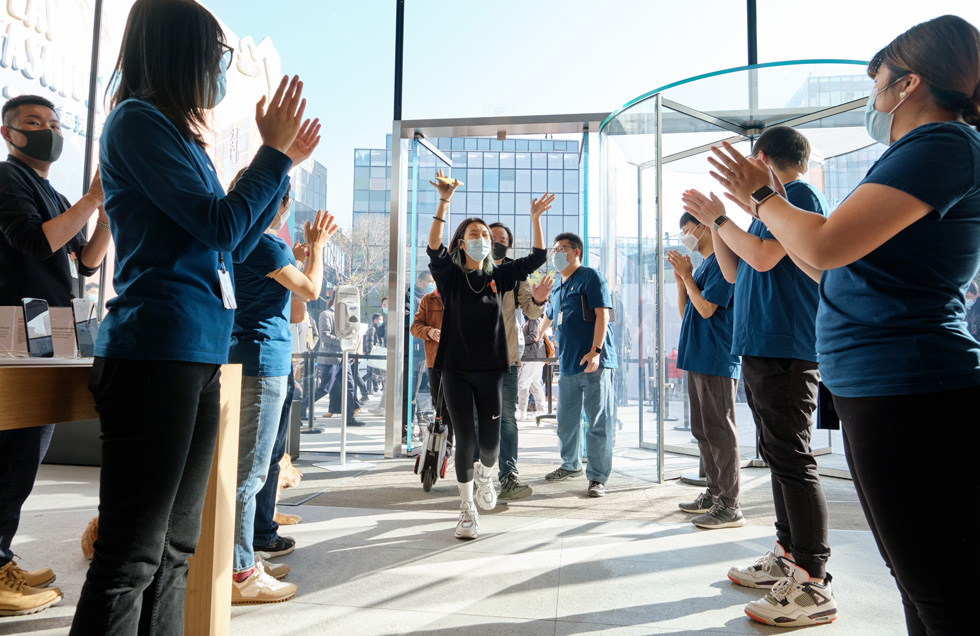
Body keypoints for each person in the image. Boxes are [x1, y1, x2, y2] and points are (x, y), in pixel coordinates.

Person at [705, 15, 980, 633]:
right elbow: (824, 265)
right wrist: (743, 212)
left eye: (877, 80)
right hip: (878, 383)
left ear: (908, 84)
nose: (873, 97)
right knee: (918, 576)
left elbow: (823, 248)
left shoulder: (944, 144)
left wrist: (759, 198)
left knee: (940, 585)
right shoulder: (911, 153)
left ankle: (806, 574)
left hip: (912, 385)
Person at [69, 0, 312, 631]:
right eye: (216, 56)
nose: (220, 70)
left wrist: (277, 165)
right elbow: (218, 222)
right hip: (156, 354)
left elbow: (229, 239)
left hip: (197, 354)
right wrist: (274, 156)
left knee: (176, 552)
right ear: (181, 52)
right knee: (131, 557)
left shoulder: (176, 134)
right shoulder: (137, 123)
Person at [683, 125, 834, 627]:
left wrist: (725, 216)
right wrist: (718, 222)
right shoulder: (765, 211)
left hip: (787, 346)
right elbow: (732, 270)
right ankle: (787, 556)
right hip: (761, 345)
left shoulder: (798, 195)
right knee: (778, 454)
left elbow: (768, 257)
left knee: (792, 456)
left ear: (764, 159)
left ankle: (812, 579)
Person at [0, 94, 108, 616]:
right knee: (12, 452)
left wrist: (105, 214)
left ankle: (2, 556)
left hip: (50, 329)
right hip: (16, 330)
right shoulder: (6, 179)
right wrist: (90, 200)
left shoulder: (53, 190)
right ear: (9, 134)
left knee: (28, 450)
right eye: (33, 123)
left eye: (53, 123)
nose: (48, 130)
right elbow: (34, 242)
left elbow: (84, 262)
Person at [227, 163, 337, 604]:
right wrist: (318, 248)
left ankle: (244, 555)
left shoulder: (231, 241)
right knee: (250, 472)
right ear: (281, 206)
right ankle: (239, 572)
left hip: (240, 358)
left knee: (250, 467)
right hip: (263, 362)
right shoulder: (268, 247)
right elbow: (308, 293)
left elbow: (292, 312)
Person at [427, 169, 548, 539]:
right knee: (465, 438)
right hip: (455, 370)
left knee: (491, 444)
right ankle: (466, 509)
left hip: (492, 370)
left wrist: (535, 219)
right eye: (474, 234)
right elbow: (432, 247)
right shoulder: (449, 276)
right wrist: (445, 201)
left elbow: (539, 256)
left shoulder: (502, 274)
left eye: (485, 234)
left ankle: (486, 474)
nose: (482, 239)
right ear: (461, 243)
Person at [667, 213, 742, 530]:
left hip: (716, 359)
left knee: (720, 431)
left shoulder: (724, 262)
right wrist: (682, 280)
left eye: (687, 230)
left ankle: (730, 504)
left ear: (703, 227)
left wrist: (687, 277)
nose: (685, 236)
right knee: (703, 430)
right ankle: (713, 494)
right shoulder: (702, 268)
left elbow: (709, 309)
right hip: (698, 358)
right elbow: (689, 313)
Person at [539, 233, 618, 498]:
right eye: (555, 248)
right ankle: (570, 465)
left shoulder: (590, 277)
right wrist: (535, 337)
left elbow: (602, 314)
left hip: (594, 361)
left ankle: (597, 477)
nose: (557, 252)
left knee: (597, 422)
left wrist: (595, 351)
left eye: (562, 248)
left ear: (577, 252)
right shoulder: (558, 286)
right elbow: (548, 318)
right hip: (569, 364)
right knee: (566, 421)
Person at [488, 221, 553, 501]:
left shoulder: (515, 273)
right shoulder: (468, 269)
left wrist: (538, 300)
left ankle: (508, 476)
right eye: (491, 237)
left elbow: (529, 309)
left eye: (502, 239)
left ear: (509, 245)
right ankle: (477, 476)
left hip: (506, 355)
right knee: (477, 421)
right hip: (472, 358)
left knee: (507, 421)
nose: (496, 242)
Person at [308, 297, 364, 426]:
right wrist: (343, 343)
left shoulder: (345, 316)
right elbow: (325, 335)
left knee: (350, 386)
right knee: (325, 388)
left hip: (344, 357)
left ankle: (349, 418)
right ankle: (301, 408)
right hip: (330, 357)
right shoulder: (326, 314)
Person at [409, 286, 453, 446]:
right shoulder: (428, 299)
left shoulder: (461, 296)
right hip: (434, 362)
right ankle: (445, 449)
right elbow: (415, 327)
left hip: (458, 362)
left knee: (454, 404)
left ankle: (450, 447)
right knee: (439, 404)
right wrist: (429, 331)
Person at [517, 314, 548, 421]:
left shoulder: (533, 320)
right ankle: (541, 410)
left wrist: (519, 340)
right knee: (535, 385)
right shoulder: (532, 320)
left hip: (533, 357)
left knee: (523, 383)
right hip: (535, 356)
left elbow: (534, 337)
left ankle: (522, 411)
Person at [361, 313, 383, 393]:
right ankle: (360, 384)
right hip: (372, 354)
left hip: (375, 354)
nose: (381, 321)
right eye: (379, 319)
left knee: (374, 372)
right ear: (375, 320)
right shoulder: (372, 329)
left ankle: (375, 388)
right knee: (371, 372)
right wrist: (371, 354)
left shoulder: (377, 329)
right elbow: (369, 342)